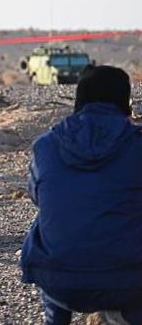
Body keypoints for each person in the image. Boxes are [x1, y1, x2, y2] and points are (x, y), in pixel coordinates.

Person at [21, 65, 142, 325]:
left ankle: (55, 320)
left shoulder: (46, 145)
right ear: (125, 101)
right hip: (128, 281)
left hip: (59, 281)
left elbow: (38, 196)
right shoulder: (137, 143)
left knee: (47, 221)